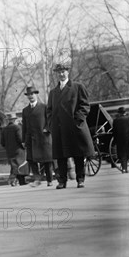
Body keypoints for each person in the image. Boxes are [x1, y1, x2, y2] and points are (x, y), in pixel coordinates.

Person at [46, 58, 95, 189]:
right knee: (61, 156)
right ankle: (62, 181)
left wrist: (77, 120)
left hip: (74, 127)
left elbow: (85, 105)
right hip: (59, 128)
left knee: (78, 154)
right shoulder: (53, 92)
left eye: (63, 71)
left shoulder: (77, 87)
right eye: (59, 72)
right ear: (56, 74)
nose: (61, 74)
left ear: (68, 72)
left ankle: (80, 179)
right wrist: (51, 124)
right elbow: (49, 110)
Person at [21, 86, 54, 186]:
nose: (31, 96)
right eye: (29, 95)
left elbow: (50, 120)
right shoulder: (25, 110)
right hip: (31, 139)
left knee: (47, 160)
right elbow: (24, 126)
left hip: (44, 137)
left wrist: (47, 129)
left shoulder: (44, 107)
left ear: (36, 94)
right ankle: (37, 179)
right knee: (31, 160)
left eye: (32, 94)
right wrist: (23, 140)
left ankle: (49, 180)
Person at [1, 112, 26, 186]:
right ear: (14, 120)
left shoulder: (4, 129)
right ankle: (19, 181)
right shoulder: (17, 127)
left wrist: (8, 147)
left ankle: (16, 181)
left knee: (14, 166)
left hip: (9, 151)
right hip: (19, 150)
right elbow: (20, 139)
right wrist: (24, 146)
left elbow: (2, 142)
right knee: (20, 165)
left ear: (8, 120)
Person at [112, 107, 129, 173]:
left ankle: (124, 169)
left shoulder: (115, 120)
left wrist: (115, 141)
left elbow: (114, 132)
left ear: (119, 113)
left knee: (122, 155)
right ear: (125, 112)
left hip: (120, 140)